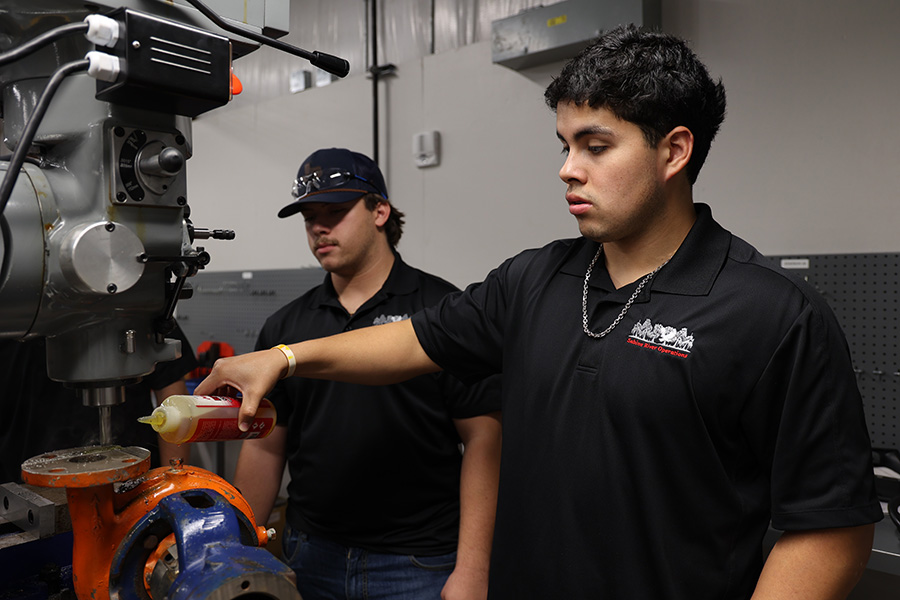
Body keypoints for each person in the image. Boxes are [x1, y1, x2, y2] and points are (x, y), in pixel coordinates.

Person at [197, 26, 883, 600]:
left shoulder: (771, 313)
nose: (567, 169)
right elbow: (412, 342)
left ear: (674, 151)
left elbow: (830, 526)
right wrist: (285, 358)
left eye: (596, 146)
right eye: (565, 146)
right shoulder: (534, 279)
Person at [230, 147, 502, 600]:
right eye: (310, 218)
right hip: (310, 553)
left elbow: (485, 439)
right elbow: (264, 445)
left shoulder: (441, 311)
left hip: (419, 561)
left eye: (335, 213)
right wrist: (239, 554)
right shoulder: (285, 327)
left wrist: (474, 568)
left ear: (380, 211)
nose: (319, 228)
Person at [0, 325, 197, 483]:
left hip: (135, 480)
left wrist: (171, 484)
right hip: (24, 482)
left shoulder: (137, 299)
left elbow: (171, 392)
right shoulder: (12, 310)